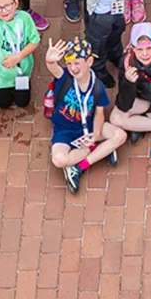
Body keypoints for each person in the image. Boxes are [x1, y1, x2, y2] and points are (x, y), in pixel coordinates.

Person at [44, 38, 128, 193]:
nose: (73, 68)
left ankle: (80, 167)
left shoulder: (97, 86)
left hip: (88, 127)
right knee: (59, 159)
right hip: (64, 131)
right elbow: (53, 67)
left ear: (89, 62)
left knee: (120, 135)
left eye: (77, 63)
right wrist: (50, 59)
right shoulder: (65, 78)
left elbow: (99, 113)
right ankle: (101, 150)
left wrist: (95, 135)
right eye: (69, 63)